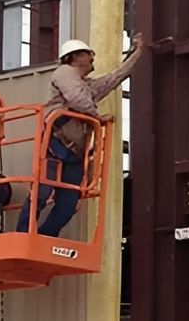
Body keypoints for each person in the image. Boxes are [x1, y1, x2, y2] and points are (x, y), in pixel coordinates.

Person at [20, 37, 138, 236]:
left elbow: (114, 78)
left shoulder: (87, 86)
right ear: (74, 57)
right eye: (87, 55)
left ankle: (45, 238)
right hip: (55, 145)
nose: (92, 59)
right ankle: (23, 236)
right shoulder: (64, 72)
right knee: (42, 192)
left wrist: (136, 53)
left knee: (68, 204)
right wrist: (97, 117)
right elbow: (76, 98)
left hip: (74, 152)